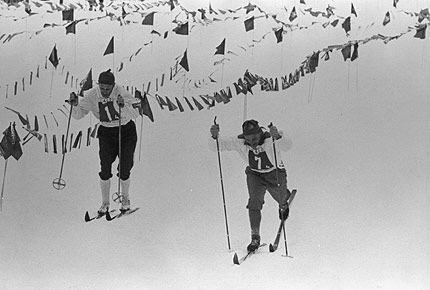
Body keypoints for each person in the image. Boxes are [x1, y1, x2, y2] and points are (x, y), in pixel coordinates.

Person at [209, 119, 293, 252]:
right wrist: (214, 136)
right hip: (255, 175)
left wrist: (277, 136)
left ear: (259, 133)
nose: (252, 142)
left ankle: (284, 202)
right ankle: (255, 237)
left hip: (274, 173)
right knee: (254, 201)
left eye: (254, 138)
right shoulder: (241, 142)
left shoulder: (269, 140)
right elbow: (218, 146)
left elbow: (287, 146)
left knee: (280, 197)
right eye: (248, 139)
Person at [68, 69, 140, 214]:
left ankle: (125, 198)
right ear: (98, 85)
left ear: (114, 85)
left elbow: (136, 112)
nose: (105, 91)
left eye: (108, 89)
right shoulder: (91, 95)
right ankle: (105, 203)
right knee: (105, 168)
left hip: (125, 131)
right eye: (102, 88)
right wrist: (75, 105)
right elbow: (78, 115)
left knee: (125, 168)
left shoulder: (121, 91)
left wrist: (123, 106)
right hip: (106, 132)